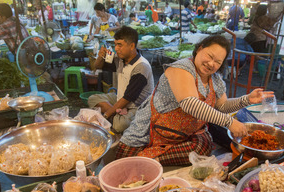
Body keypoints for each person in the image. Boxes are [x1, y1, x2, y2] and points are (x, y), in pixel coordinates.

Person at [115, 35, 274, 165]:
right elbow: (190, 104)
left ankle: (155, 160)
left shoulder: (215, 80)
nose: (211, 64)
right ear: (200, 49)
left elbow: (223, 106)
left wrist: (247, 99)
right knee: (124, 167)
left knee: (204, 143)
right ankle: (146, 159)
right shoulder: (181, 68)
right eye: (210, 56)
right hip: (147, 135)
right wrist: (230, 123)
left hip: (180, 136)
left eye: (218, 62)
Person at [88, 26, 154, 133]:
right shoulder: (120, 60)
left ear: (132, 46)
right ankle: (117, 112)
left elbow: (128, 98)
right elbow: (97, 66)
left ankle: (115, 114)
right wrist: (100, 56)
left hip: (136, 106)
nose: (116, 49)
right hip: (120, 97)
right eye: (115, 45)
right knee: (92, 98)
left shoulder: (141, 66)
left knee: (120, 126)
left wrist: (105, 115)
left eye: (120, 45)